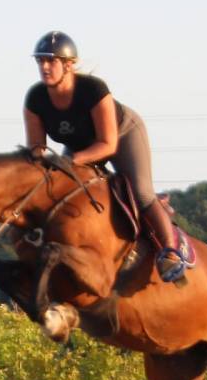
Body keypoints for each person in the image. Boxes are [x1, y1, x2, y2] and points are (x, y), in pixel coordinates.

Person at [23, 31, 188, 283]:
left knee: (141, 192)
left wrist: (72, 161)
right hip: (79, 147)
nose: (44, 67)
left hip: (121, 135)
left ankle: (170, 252)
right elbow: (36, 150)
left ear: (69, 65)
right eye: (40, 61)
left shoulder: (93, 90)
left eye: (51, 61)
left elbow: (107, 145)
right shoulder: (36, 99)